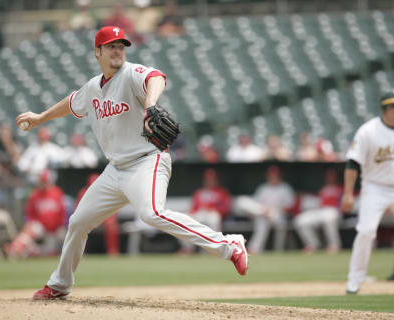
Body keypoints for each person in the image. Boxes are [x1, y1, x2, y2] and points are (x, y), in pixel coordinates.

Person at [16, 26, 248, 300]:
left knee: (152, 213)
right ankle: (60, 284)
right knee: (78, 221)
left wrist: (150, 104)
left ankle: (228, 244)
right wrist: (41, 117)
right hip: (115, 170)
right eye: (111, 46)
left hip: (147, 161)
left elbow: (156, 77)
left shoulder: (130, 73)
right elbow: (72, 102)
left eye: (121, 46)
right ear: (97, 52)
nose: (117, 51)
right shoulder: (92, 87)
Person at [341, 89, 394, 294]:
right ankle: (355, 280)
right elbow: (352, 163)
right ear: (385, 108)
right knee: (366, 231)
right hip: (375, 187)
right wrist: (348, 193)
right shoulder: (367, 131)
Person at [4, 170, 67, 259]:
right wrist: (30, 225)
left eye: (46, 181)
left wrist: (59, 226)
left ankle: (32, 251)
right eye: (43, 181)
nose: (44, 183)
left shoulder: (57, 193)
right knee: (29, 229)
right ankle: (15, 249)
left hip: (56, 229)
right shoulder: (35, 195)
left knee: (53, 250)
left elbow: (63, 213)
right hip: (41, 227)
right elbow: (29, 214)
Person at [236, 165, 295, 253]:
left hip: (278, 214)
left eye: (275, 175)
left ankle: (276, 249)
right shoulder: (263, 188)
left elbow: (290, 206)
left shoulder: (285, 188)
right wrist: (264, 210)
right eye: (271, 175)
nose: (273, 177)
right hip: (263, 213)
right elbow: (255, 204)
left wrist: (274, 210)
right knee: (241, 201)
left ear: (279, 175)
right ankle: (255, 249)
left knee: (276, 221)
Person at [178, 168, 232, 254]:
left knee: (214, 219)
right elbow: (194, 207)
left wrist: (215, 210)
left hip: (213, 213)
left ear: (216, 180)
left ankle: (214, 248)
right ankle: (188, 248)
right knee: (182, 219)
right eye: (207, 179)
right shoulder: (199, 192)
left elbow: (226, 207)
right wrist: (192, 212)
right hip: (200, 213)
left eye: (212, 179)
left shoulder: (222, 192)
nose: (209, 181)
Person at [293, 169, 343, 254]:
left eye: (332, 177)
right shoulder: (323, 189)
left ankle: (334, 245)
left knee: (329, 218)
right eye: (328, 177)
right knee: (300, 220)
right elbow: (318, 202)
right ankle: (313, 244)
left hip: (334, 211)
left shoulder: (340, 188)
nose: (330, 178)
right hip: (321, 210)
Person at [76, 173, 120, 256]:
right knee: (79, 225)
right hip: (88, 218)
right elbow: (78, 211)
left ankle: (112, 251)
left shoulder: (108, 191)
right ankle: (80, 252)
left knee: (112, 225)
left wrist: (107, 220)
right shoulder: (83, 193)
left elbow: (112, 210)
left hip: (103, 218)